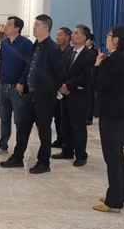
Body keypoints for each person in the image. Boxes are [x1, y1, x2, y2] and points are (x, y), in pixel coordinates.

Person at [0, 14, 67, 174]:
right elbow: (29, 67)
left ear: (46, 28)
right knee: (23, 127)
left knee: (43, 130)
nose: (34, 27)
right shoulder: (35, 45)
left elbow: (59, 73)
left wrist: (53, 90)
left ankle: (44, 162)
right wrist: (22, 81)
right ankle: (17, 157)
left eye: (37, 25)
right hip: (30, 94)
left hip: (44, 97)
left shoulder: (52, 48)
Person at [91, 25, 124, 213]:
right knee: (118, 154)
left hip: (111, 113)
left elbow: (99, 85)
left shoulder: (113, 60)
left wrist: (96, 66)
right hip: (122, 112)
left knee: (112, 157)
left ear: (116, 39)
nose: (107, 39)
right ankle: (120, 194)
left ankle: (114, 201)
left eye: (109, 36)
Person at [54, 25, 96, 166]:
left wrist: (69, 86)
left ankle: (81, 155)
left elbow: (86, 76)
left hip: (79, 95)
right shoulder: (68, 52)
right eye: (72, 33)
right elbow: (62, 70)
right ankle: (67, 150)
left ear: (84, 37)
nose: (72, 35)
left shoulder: (89, 55)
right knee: (65, 124)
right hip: (65, 94)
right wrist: (62, 85)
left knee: (78, 126)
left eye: (76, 33)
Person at [0, 16, 32, 156]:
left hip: (17, 88)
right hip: (3, 87)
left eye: (9, 24)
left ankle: (20, 149)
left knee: (19, 120)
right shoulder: (4, 43)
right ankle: (3, 146)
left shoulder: (26, 44)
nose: (5, 27)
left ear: (17, 29)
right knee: (4, 119)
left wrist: (22, 82)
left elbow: (29, 65)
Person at [52, 27, 72, 148]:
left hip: (66, 89)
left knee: (65, 117)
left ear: (68, 37)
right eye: (57, 35)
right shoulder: (55, 50)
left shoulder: (71, 52)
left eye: (60, 35)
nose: (57, 38)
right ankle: (59, 138)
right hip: (55, 89)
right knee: (57, 116)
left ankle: (66, 141)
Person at [86, 33, 98, 125]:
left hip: (92, 78)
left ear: (92, 41)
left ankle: (89, 118)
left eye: (88, 40)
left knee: (90, 98)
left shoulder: (94, 52)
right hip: (84, 77)